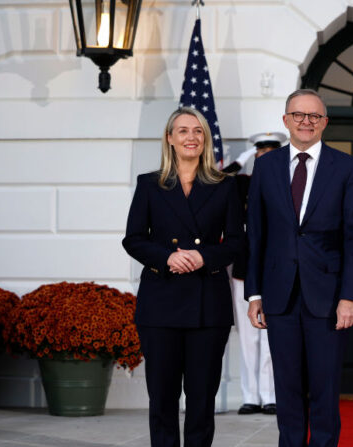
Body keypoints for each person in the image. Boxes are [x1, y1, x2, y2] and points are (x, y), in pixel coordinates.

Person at [244, 89, 353, 447]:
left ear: (324, 123)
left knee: (325, 389)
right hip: (278, 296)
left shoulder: (346, 168)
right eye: (299, 115)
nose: (306, 122)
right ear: (286, 121)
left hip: (328, 299)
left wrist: (349, 297)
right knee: (287, 388)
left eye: (314, 116)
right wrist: (254, 294)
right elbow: (257, 234)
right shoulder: (266, 167)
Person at [123, 107, 243, 447]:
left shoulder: (224, 186)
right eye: (183, 131)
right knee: (162, 398)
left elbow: (237, 242)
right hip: (161, 303)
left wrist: (204, 256)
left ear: (205, 140)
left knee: (201, 400)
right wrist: (167, 258)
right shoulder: (149, 184)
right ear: (170, 139)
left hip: (208, 305)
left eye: (198, 131)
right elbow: (133, 238)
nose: (191, 137)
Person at [223, 132, 287, 416]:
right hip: (243, 269)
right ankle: (251, 396)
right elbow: (217, 180)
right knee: (249, 338)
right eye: (261, 155)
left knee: (273, 338)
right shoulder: (240, 184)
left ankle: (271, 395)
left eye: (271, 154)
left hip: (275, 269)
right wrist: (242, 160)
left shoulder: (286, 182)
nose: (265, 160)